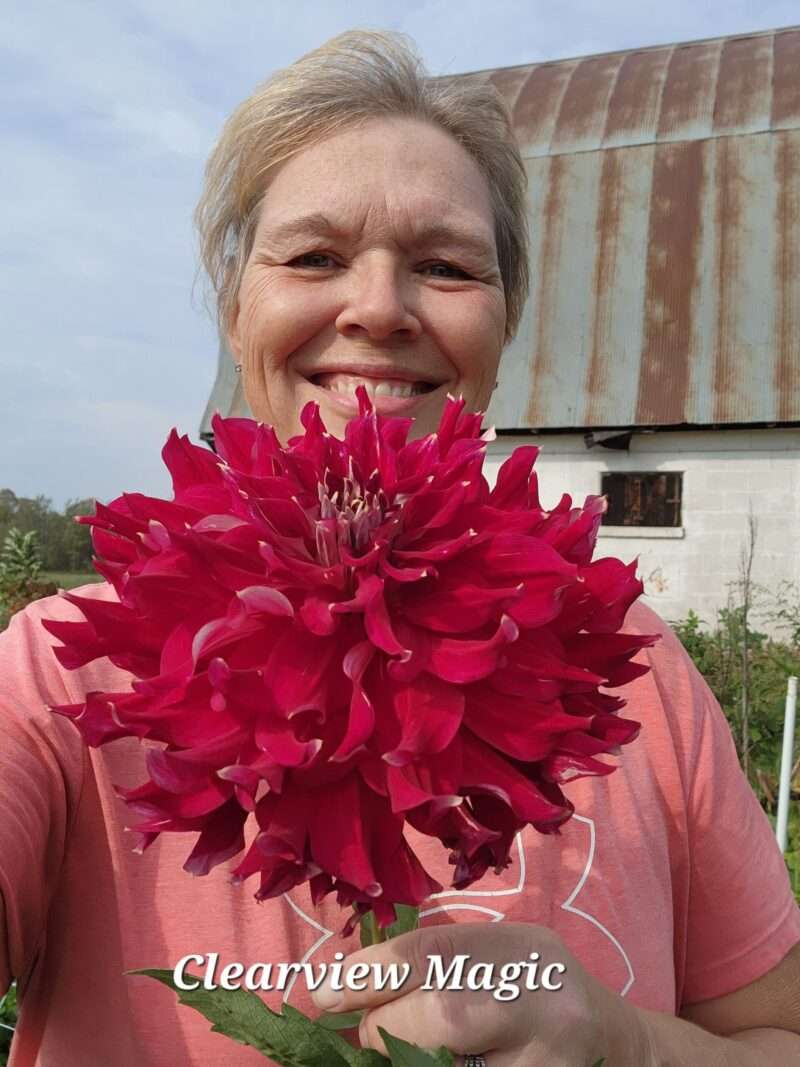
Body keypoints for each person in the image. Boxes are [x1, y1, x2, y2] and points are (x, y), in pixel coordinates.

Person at [2, 29, 800, 1067]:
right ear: (236, 309)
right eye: (314, 256)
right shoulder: (64, 668)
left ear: (502, 323)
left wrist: (626, 1044)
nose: (378, 307)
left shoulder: (631, 663)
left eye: (444, 263)